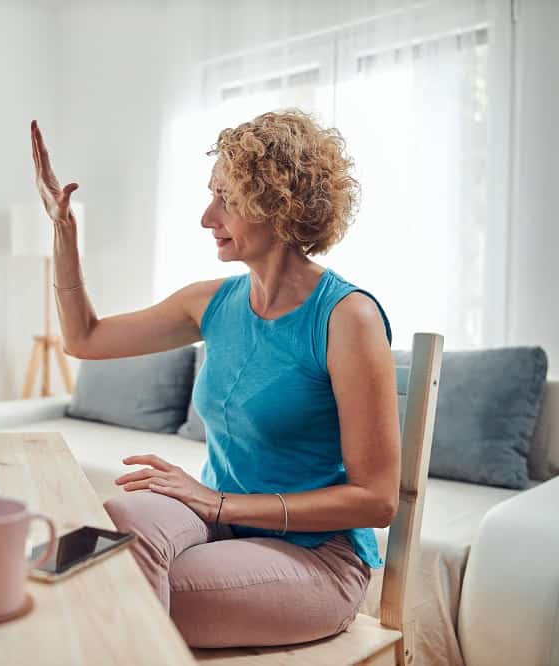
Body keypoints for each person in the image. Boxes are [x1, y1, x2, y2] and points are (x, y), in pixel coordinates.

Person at [28, 110, 400, 648]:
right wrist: (62, 231)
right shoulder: (212, 303)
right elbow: (86, 339)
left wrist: (218, 503)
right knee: (116, 522)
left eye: (225, 198)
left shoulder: (347, 317)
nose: (207, 217)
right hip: (223, 523)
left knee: (109, 579)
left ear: (277, 203)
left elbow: (377, 499)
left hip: (316, 556)